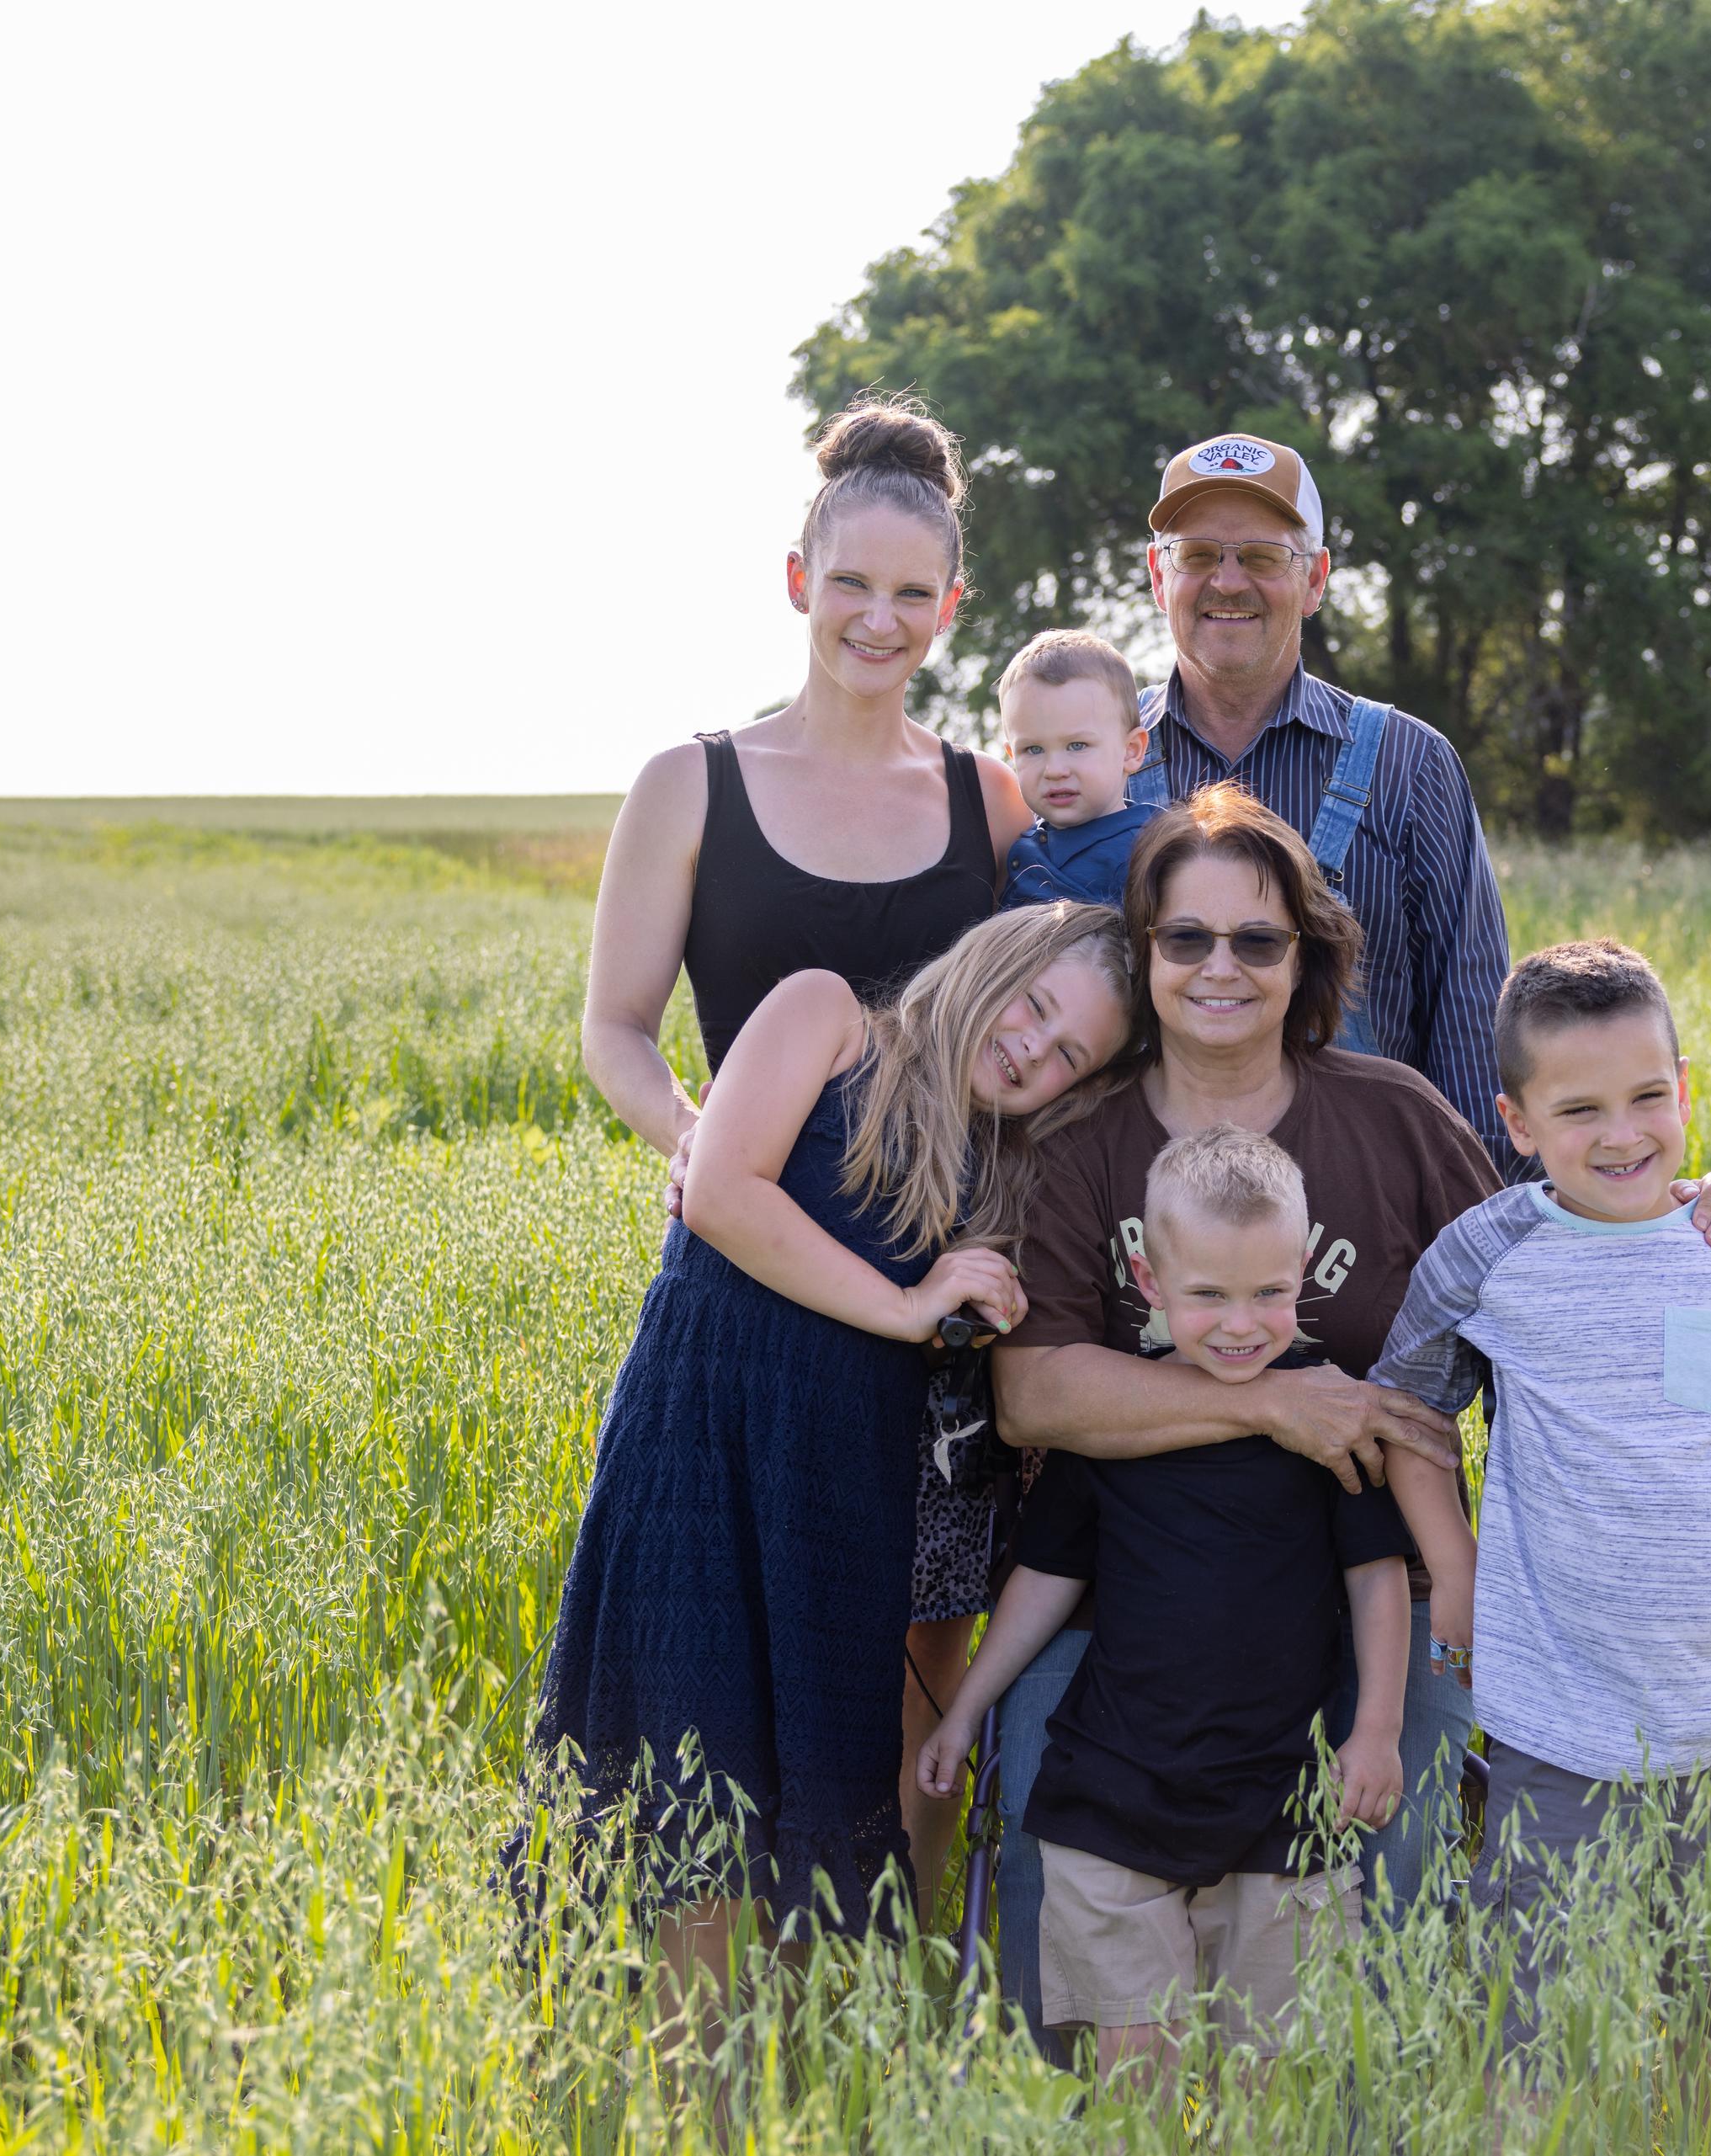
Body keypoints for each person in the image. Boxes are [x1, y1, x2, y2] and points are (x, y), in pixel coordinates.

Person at [987, 790, 1711, 2054]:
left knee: (1374, 1949)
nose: (1220, 968)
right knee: (1065, 1960)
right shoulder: (1081, 1140)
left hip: (1377, 1602)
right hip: (1122, 1604)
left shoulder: (1396, 1118)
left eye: (1259, 940)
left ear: (1307, 957)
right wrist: (1280, 1403)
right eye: (1185, 938)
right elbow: (1034, 1389)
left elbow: (1563, 1262)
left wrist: (1706, 1207)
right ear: (1142, 953)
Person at [579, 396, 1029, 1916]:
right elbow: (619, 1035)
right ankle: (724, 2070)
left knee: (909, 1704)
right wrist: (713, 1146)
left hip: (940, 1321)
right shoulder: (689, 785)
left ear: (952, 609)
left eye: (913, 595)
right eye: (851, 585)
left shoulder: (991, 802)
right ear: (796, 582)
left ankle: (884, 2033)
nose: (878, 619)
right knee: (708, 1687)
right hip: (742, 1293)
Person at [531, 905, 1134, 2018]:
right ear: (994, 959)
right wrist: (911, 1306)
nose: (1030, 1050)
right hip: (699, 1458)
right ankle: (701, 2111)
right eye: (1034, 1007)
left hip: (840, 1498)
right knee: (694, 1802)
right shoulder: (826, 1018)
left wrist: (980, 1296)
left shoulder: (1000, 1179)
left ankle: (811, 2090)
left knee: (823, 1816)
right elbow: (719, 1192)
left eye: (1068, 1057)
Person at [1367, 939, 1711, 2086]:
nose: (1623, 1134)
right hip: (1557, 1715)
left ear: (1686, 1088)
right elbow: (1404, 1412)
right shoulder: (1490, 1253)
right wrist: (1452, 1568)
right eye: (1580, 1108)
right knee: (1542, 2027)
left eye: (1649, 1096)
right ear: (1517, 1120)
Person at [919, 1126, 1407, 2093]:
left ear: (1304, 1268)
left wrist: (1380, 1729)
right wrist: (969, 1705)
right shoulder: (1119, 1424)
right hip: (1118, 1787)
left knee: (1268, 2080)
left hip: (1282, 1797)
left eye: (1269, 1291)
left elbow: (1376, 1577)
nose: (1240, 1323)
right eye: (1209, 1294)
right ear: (1148, 1275)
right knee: (1132, 2066)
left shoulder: (1322, 1417)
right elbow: (1046, 1578)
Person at [1126, 430, 1515, 1161]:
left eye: (1265, 557)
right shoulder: (1090, 769)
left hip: (1371, 1228)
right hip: (1138, 1232)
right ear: (1158, 575)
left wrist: (1474, 1235)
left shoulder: (1411, 764)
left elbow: (1473, 1038)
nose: (1229, 581)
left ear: (1316, 579)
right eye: (1199, 554)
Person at [997, 630, 1157, 908]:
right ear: (1012, 755)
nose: (1054, 770)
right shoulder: (1020, 846)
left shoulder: (1150, 852)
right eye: (1033, 750)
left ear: (1131, 750)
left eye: (1077, 746)